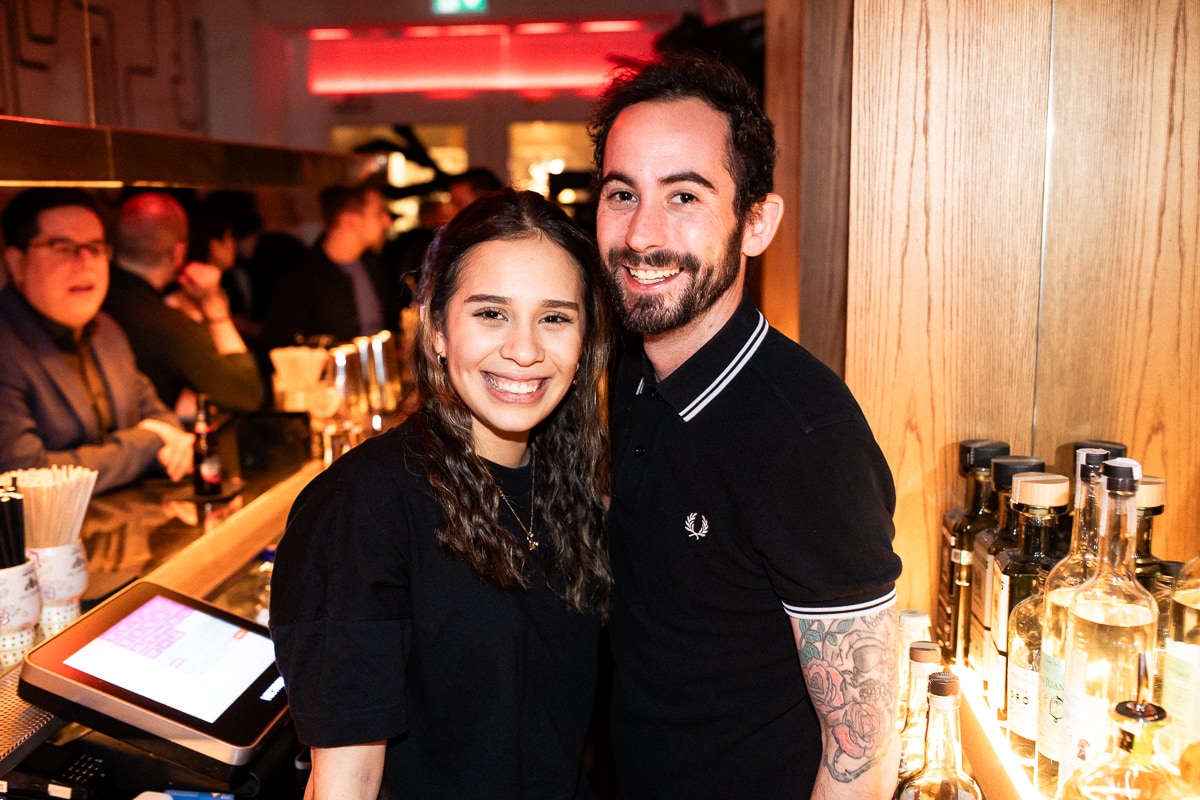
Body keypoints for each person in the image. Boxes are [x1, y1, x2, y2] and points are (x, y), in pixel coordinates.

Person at [591, 53, 903, 799]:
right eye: (621, 193)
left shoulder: (806, 440)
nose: (642, 234)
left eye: (685, 197)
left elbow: (862, 751)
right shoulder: (631, 369)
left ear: (756, 222)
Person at [270, 188, 612, 798]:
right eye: (491, 313)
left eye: (555, 317)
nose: (525, 350)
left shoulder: (572, 485)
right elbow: (345, 783)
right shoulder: (362, 507)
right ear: (434, 329)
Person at [0, 187, 193, 494]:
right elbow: (22, 475)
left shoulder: (106, 330)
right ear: (17, 263)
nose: (85, 261)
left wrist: (164, 438)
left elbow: (159, 416)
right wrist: (143, 446)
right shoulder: (7, 345)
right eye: (62, 247)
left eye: (96, 247)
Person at [102, 192, 263, 418]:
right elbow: (245, 392)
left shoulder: (95, 304)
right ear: (178, 251)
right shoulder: (171, 328)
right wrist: (216, 310)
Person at [259, 184, 400, 354]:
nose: (387, 221)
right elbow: (278, 350)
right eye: (378, 214)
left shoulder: (376, 267)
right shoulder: (299, 280)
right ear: (350, 220)